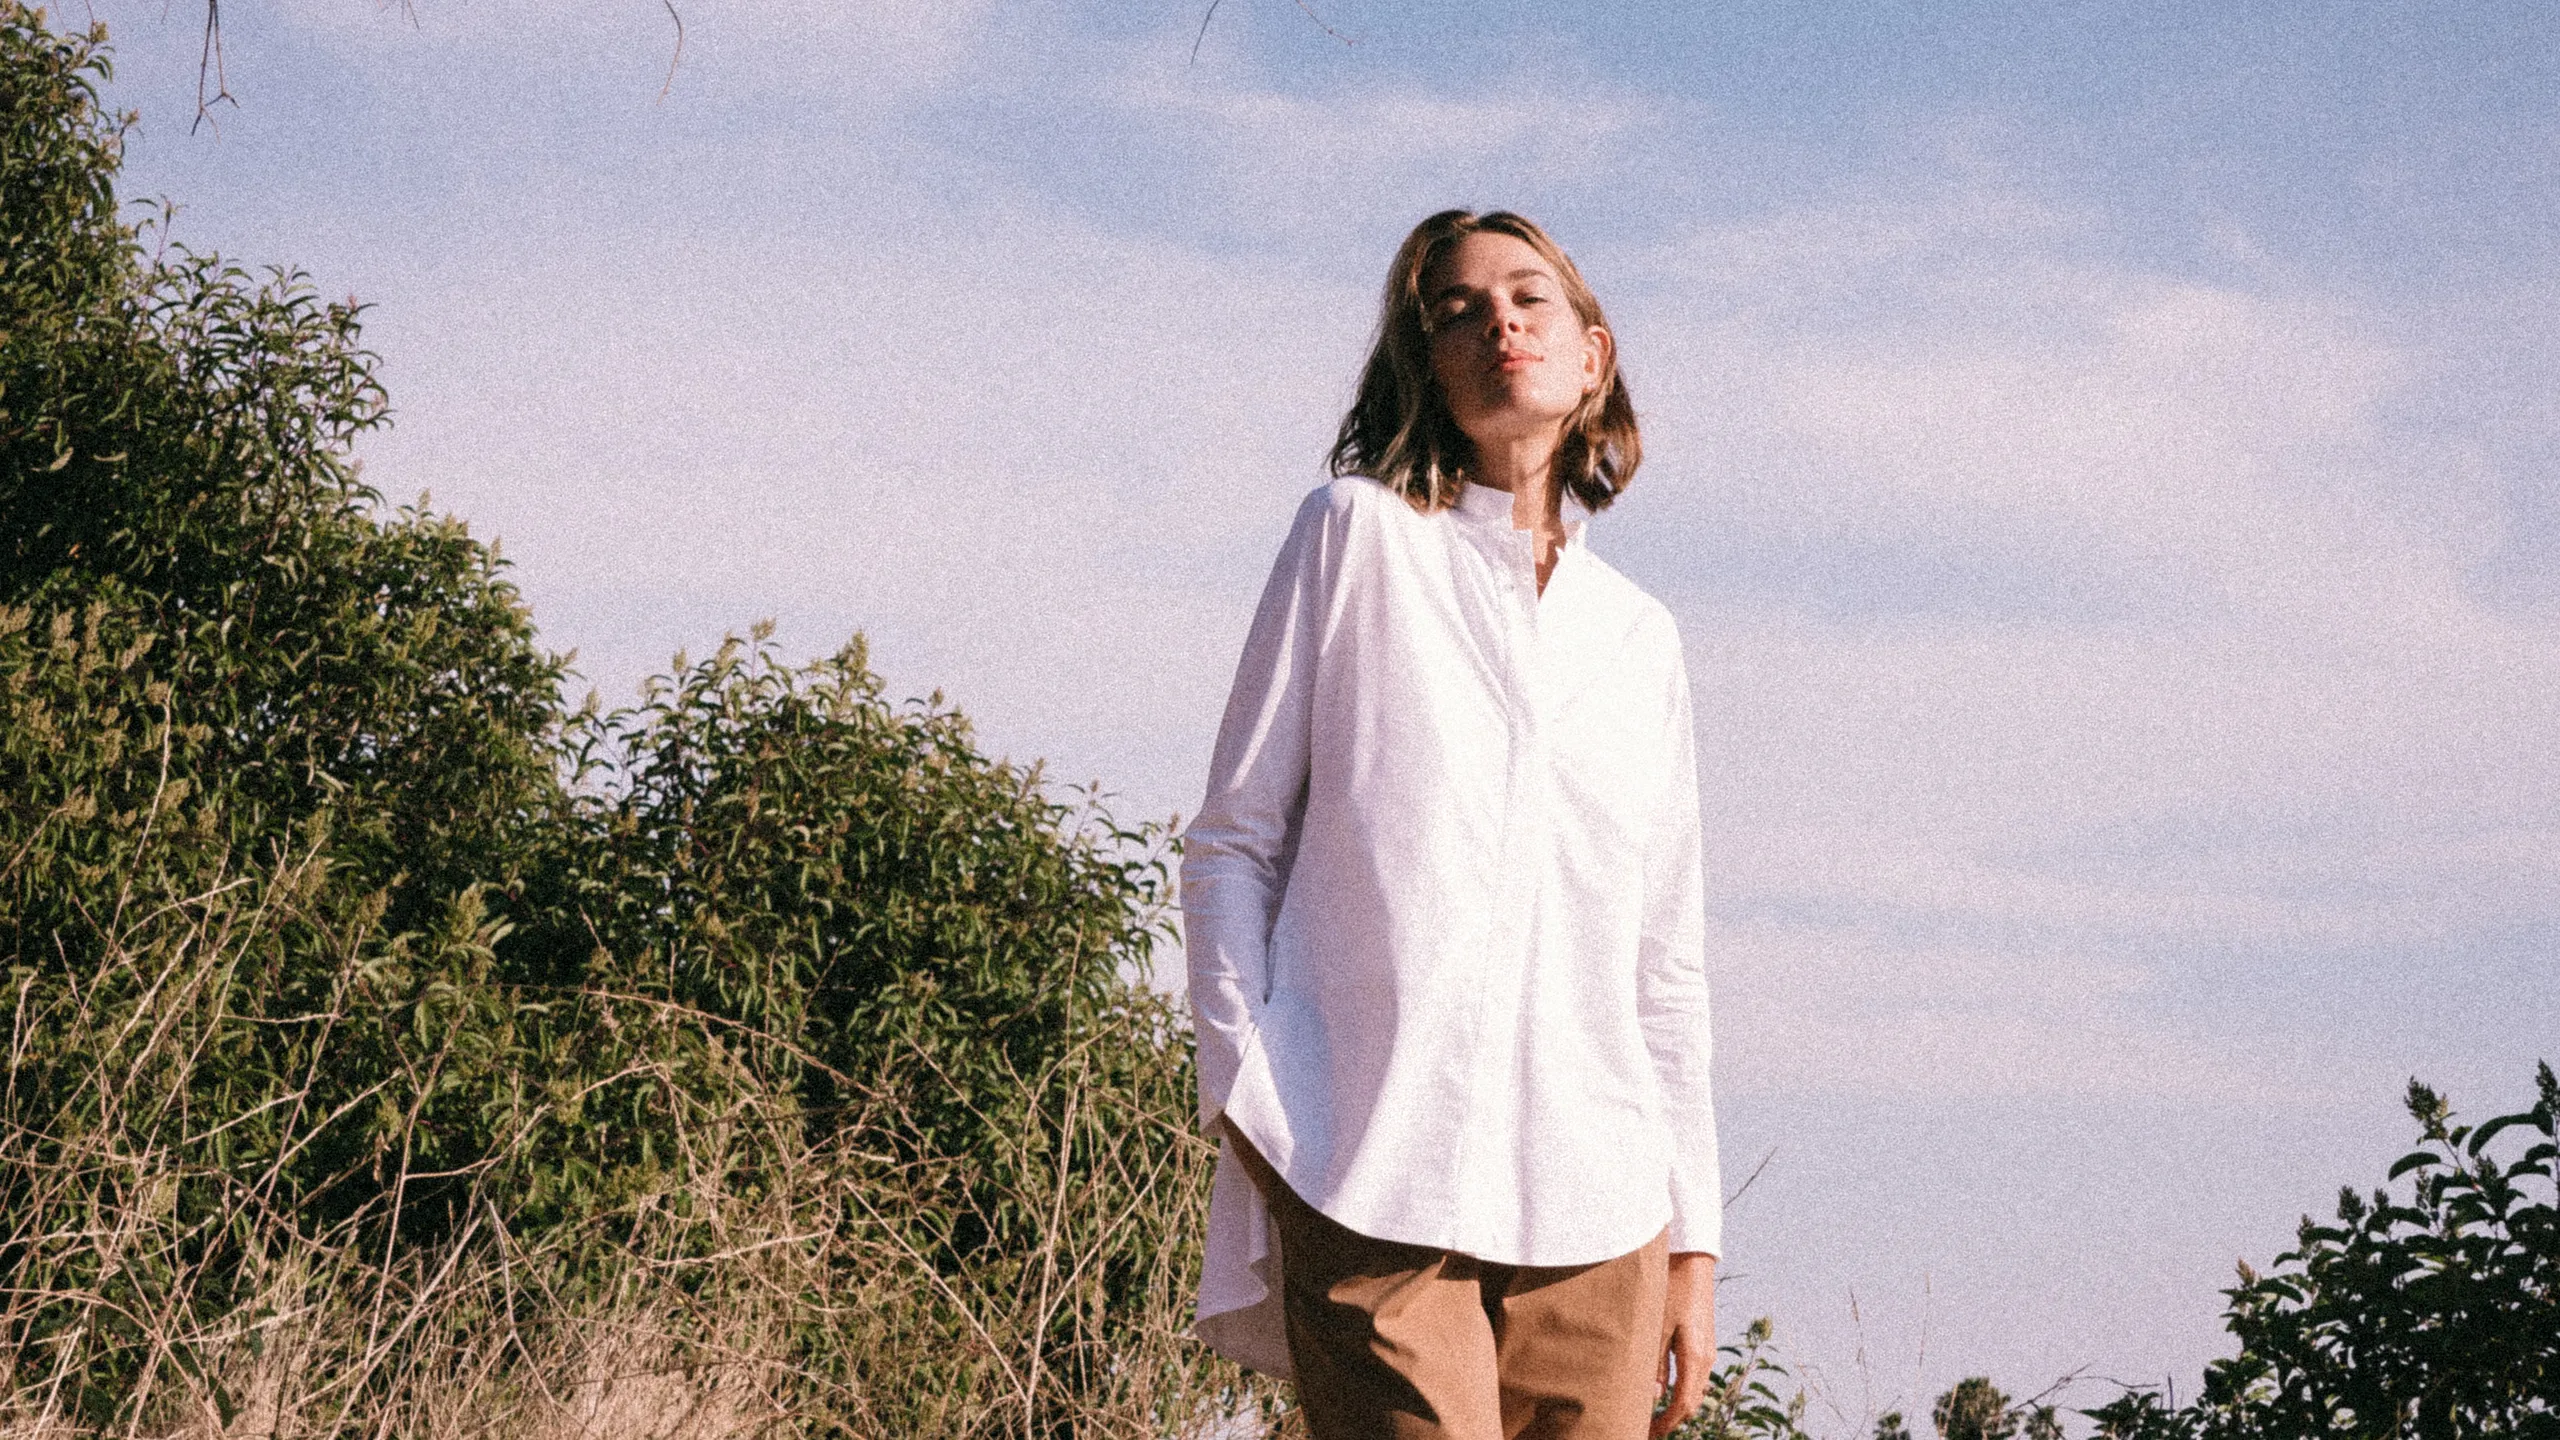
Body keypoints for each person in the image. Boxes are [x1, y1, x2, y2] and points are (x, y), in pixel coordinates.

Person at [1182, 208, 1722, 1440]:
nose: (1499, 326)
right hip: (1367, 1165)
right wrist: (1248, 1094)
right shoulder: (1354, 537)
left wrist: (1692, 1242)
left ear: (1592, 353)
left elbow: (1664, 960)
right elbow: (1231, 843)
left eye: (1530, 300)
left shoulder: (1639, 637)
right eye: (1457, 311)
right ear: (1423, 362)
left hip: (1602, 1208)